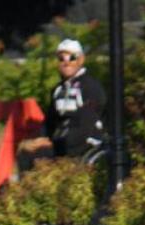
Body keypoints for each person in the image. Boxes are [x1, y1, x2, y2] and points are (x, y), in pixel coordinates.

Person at [17, 39, 106, 172]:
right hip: (62, 144)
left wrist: (54, 144)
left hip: (86, 145)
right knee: (26, 152)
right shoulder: (58, 90)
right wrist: (38, 140)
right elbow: (49, 123)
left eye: (72, 57)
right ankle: (31, 191)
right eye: (61, 58)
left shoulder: (90, 87)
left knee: (39, 156)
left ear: (81, 60)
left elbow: (85, 127)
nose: (66, 62)